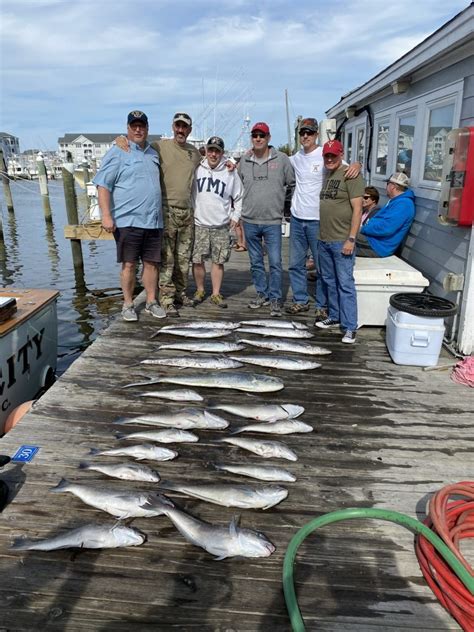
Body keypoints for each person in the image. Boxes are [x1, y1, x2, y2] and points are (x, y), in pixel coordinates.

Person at [116, 113, 201, 315]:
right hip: (165, 210)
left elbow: (210, 166)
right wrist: (119, 139)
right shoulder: (159, 147)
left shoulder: (195, 153)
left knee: (183, 258)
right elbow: (136, 144)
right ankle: (166, 298)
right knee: (167, 258)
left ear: (189, 130)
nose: (181, 130)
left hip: (187, 211)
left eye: (185, 127)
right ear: (173, 127)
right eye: (178, 126)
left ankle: (180, 292)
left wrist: (231, 165)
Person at [285, 117, 361, 319]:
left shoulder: (325, 154)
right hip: (297, 218)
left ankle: (321, 304)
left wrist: (358, 164)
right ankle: (300, 300)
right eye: (302, 132)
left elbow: (346, 167)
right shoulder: (296, 157)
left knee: (321, 267)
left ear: (316, 134)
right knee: (295, 264)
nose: (305, 136)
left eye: (309, 132)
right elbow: (274, 160)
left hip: (319, 220)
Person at [93, 111, 165, 322]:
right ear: (127, 128)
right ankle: (127, 304)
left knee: (152, 263)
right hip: (128, 220)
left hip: (153, 220)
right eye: (134, 126)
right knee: (129, 264)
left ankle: (151, 301)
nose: (138, 129)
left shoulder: (153, 152)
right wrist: (106, 215)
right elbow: (103, 185)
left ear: (147, 128)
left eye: (141, 126)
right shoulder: (118, 151)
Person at [238, 121, 295, 317]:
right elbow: (236, 186)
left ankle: (275, 298)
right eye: (255, 136)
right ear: (251, 138)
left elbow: (292, 184)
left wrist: (285, 209)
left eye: (262, 135)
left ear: (269, 138)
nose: (258, 139)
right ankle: (261, 294)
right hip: (250, 220)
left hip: (272, 221)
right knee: (255, 262)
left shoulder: (283, 159)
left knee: (275, 262)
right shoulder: (244, 161)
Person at [316, 140, 365, 344]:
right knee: (329, 280)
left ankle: (350, 326)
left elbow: (358, 209)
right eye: (326, 155)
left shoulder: (351, 174)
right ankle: (335, 317)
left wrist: (351, 239)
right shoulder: (327, 174)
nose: (329, 159)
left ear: (341, 155)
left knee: (345, 283)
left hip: (341, 240)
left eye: (333, 156)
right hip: (324, 239)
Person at [191, 136, 243, 308]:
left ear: (222, 153)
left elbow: (239, 196)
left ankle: (215, 293)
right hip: (200, 224)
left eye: (217, 151)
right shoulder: (197, 168)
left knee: (218, 261)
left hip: (221, 225)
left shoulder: (230, 172)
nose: (213, 154)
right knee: (197, 260)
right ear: (206, 150)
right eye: (211, 150)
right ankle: (199, 290)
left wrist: (235, 216)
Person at [357, 173, 415, 258]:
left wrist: (362, 228)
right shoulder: (397, 202)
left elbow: (385, 228)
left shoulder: (404, 204)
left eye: (387, 184)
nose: (386, 187)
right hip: (372, 240)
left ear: (393, 186)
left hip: (377, 247)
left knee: (339, 239)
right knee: (339, 234)